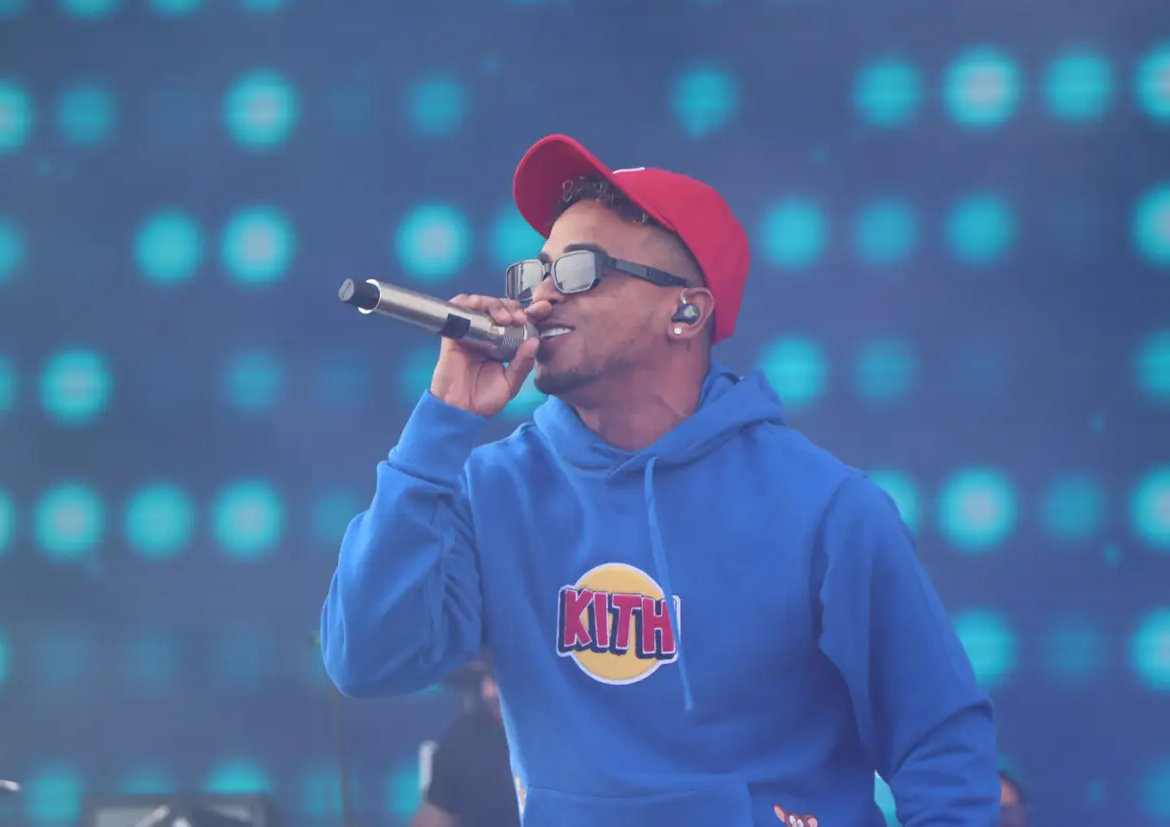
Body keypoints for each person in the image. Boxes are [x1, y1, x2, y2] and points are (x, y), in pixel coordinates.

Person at [321, 134, 1000, 827]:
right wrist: (441, 424)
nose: (541, 298)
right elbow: (367, 659)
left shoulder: (827, 508)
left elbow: (941, 745)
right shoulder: (490, 489)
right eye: (534, 273)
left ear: (686, 311)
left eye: (580, 270)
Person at [408, 657, 521, 827]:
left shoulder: (557, 740)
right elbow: (435, 815)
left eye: (499, 678)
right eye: (486, 677)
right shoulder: (464, 740)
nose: (488, 692)